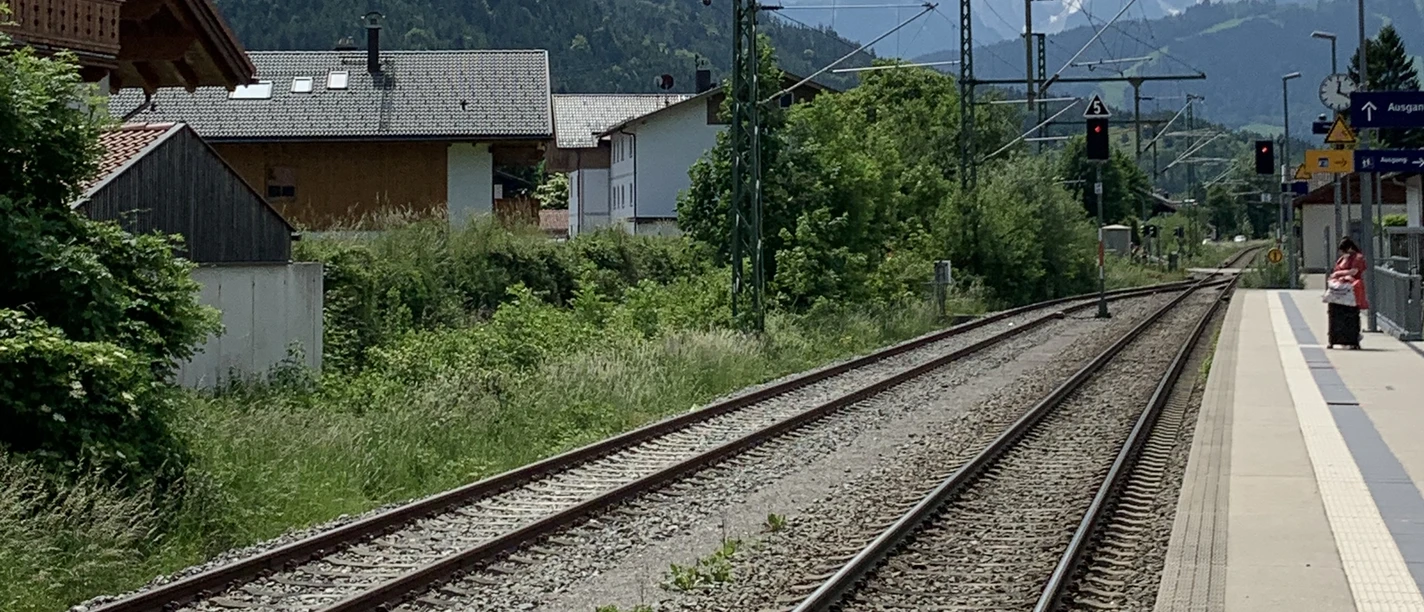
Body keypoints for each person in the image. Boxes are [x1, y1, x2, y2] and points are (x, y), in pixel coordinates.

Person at [1327, 237, 1368, 349]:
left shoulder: (1358, 258)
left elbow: (1354, 271)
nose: (1343, 253)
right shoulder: (1342, 259)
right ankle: (1335, 337)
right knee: (1335, 314)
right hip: (1339, 290)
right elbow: (1336, 270)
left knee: (1352, 315)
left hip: (1351, 290)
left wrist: (1338, 274)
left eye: (1344, 250)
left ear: (1350, 248)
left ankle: (1353, 338)